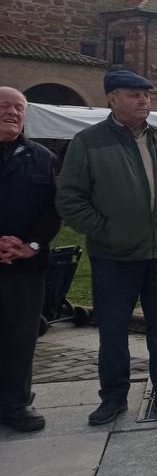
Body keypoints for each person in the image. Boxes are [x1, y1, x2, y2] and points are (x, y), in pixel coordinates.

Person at [57, 70, 157, 424]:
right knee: (112, 332)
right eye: (134, 95)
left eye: (146, 95)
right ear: (112, 99)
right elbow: (69, 199)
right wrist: (106, 231)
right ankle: (113, 398)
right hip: (115, 258)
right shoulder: (88, 143)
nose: (144, 101)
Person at [0, 87, 61, 433]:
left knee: (20, 337)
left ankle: (16, 402)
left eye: (19, 107)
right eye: (5, 106)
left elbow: (53, 210)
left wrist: (33, 244)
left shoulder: (41, 157)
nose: (12, 112)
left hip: (26, 264)